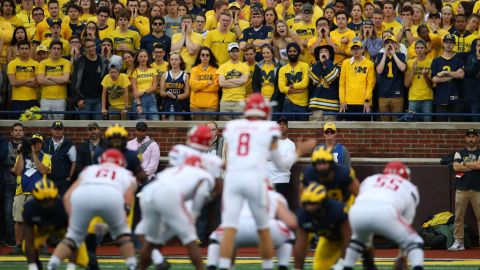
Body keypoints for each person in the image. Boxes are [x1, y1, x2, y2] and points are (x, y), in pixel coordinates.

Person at [218, 93, 315, 270]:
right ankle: (268, 266)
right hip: (255, 178)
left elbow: (229, 159)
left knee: (229, 229)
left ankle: (224, 266)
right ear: (264, 109)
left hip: (233, 177)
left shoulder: (233, 126)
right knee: (263, 228)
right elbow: (282, 163)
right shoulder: (268, 128)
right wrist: (299, 152)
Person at [47, 149, 138, 270]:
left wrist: (72, 219)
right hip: (112, 195)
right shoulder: (126, 173)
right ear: (121, 162)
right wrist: (117, 222)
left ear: (101, 160)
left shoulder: (89, 170)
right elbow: (128, 198)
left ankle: (52, 264)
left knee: (73, 236)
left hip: (83, 196)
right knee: (123, 235)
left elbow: (68, 196)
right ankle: (132, 265)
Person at [138, 154, 219, 270]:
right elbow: (200, 195)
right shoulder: (203, 175)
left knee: (146, 235)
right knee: (190, 238)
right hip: (169, 197)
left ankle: (152, 262)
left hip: (146, 194)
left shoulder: (173, 170)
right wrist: (194, 213)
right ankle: (201, 268)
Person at [343, 162, 424, 270]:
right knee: (415, 242)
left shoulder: (371, 179)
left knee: (358, 241)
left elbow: (360, 196)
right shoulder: (410, 187)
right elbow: (407, 222)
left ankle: (347, 267)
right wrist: (402, 256)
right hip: (386, 212)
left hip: (357, 211)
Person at [207, 187, 297, 270]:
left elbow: (227, 219)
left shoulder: (232, 195)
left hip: (236, 228)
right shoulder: (274, 195)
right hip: (265, 228)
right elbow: (291, 223)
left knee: (215, 238)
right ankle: (281, 265)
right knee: (289, 236)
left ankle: (216, 265)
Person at [23, 179, 88, 270]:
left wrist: (71, 266)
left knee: (84, 258)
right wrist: (32, 266)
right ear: (36, 199)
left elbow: (74, 239)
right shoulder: (29, 208)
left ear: (56, 197)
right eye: (43, 201)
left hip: (61, 229)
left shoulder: (64, 207)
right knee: (25, 245)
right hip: (41, 230)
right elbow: (29, 240)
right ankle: (37, 265)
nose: (47, 204)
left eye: (50, 200)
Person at [294, 183, 351, 270]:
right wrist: (297, 268)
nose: (309, 207)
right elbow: (301, 244)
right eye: (306, 203)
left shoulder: (338, 211)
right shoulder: (303, 214)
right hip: (330, 239)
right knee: (319, 267)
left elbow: (349, 239)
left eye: (313, 203)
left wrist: (341, 262)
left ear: (323, 202)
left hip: (354, 241)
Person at [11, 134, 51, 255]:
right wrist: (21, 154)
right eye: (32, 143)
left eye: (37, 142)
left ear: (42, 144)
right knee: (19, 221)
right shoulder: (21, 156)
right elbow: (18, 172)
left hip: (39, 193)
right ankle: (18, 246)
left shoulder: (46, 157)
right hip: (21, 192)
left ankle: (42, 245)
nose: (35, 145)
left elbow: (43, 170)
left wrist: (33, 155)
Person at [450, 128, 480, 251]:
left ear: (477, 138)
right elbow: (456, 167)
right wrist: (473, 166)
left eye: (473, 136)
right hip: (461, 189)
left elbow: (479, 166)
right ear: (465, 138)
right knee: (459, 217)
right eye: (469, 137)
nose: (471, 139)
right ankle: (458, 242)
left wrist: (465, 164)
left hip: (478, 189)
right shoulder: (459, 152)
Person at [72, 38, 109, 120]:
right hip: (84, 100)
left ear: (96, 46)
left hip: (99, 100)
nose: (91, 48)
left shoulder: (103, 61)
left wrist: (104, 102)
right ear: (85, 49)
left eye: (93, 46)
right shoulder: (80, 61)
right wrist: (78, 99)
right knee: (84, 128)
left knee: (98, 127)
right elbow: (74, 82)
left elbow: (106, 82)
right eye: (88, 47)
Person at [339, 38, 375, 121]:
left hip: (363, 102)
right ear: (351, 51)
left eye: (358, 48)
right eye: (353, 48)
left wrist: (367, 100)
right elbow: (342, 84)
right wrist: (342, 101)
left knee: (364, 129)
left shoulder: (369, 64)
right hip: (348, 102)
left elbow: (370, 84)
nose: (356, 51)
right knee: (348, 130)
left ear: (362, 49)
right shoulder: (345, 63)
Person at [431, 34, 465, 122]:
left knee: (457, 127)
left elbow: (461, 75)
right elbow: (434, 79)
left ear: (454, 45)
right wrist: (452, 76)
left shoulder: (459, 60)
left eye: (451, 43)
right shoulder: (436, 61)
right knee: (442, 128)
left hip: (456, 97)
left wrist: (445, 72)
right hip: (441, 97)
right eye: (446, 42)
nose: (448, 45)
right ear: (443, 44)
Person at [1, 123, 25, 248]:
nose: (18, 132)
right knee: (8, 213)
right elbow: (4, 159)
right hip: (9, 184)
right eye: (15, 130)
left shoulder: (28, 144)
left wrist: (14, 164)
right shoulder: (5, 144)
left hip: (25, 186)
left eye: (20, 130)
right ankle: (11, 239)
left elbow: (28, 161)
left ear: (23, 132)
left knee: (24, 214)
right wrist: (18, 163)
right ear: (11, 132)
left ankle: (24, 240)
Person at [36, 40, 71, 120]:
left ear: (61, 51)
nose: (56, 51)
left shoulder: (66, 62)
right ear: (50, 50)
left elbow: (65, 79)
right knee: (45, 125)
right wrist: (59, 81)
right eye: (54, 48)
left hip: (60, 99)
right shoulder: (43, 63)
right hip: (45, 99)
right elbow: (40, 80)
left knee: (58, 125)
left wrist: (49, 77)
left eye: (58, 49)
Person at [375, 34, 407, 121]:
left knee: (396, 122)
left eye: (392, 42)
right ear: (384, 45)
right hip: (383, 94)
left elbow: (402, 68)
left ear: (396, 44)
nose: (389, 45)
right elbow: (379, 71)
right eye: (387, 43)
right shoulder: (380, 56)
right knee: (385, 123)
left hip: (397, 94)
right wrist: (385, 54)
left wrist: (394, 54)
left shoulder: (401, 55)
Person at [217, 42, 249, 121]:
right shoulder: (223, 66)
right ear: (228, 52)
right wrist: (239, 82)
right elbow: (221, 83)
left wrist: (228, 80)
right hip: (225, 101)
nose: (235, 53)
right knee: (225, 128)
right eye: (232, 51)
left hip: (240, 101)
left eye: (236, 51)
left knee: (239, 127)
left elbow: (244, 80)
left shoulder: (244, 66)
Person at [42, 121, 76, 195]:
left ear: (63, 131)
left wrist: (70, 177)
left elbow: (74, 162)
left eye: (60, 129)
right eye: (55, 129)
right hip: (48, 179)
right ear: (51, 130)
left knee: (62, 203)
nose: (58, 131)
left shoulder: (69, 144)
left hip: (63, 180)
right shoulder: (46, 142)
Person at [7, 40, 39, 118]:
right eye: (22, 48)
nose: (24, 51)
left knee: (33, 126)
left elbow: (36, 83)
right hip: (17, 100)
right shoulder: (12, 64)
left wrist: (20, 82)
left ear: (29, 50)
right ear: (18, 50)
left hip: (33, 99)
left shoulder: (36, 64)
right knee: (18, 125)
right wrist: (28, 80)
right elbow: (13, 82)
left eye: (26, 48)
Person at [278, 42, 310, 121]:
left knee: (303, 131)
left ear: (298, 53)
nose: (292, 53)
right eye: (290, 51)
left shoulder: (305, 66)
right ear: (287, 53)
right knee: (288, 130)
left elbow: (305, 83)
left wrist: (291, 87)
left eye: (294, 51)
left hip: (303, 104)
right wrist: (298, 90)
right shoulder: (282, 69)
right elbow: (281, 88)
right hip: (288, 104)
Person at [308, 44, 340, 121]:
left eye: (326, 51)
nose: (323, 53)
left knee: (330, 131)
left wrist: (327, 61)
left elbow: (330, 78)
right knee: (314, 131)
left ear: (330, 54)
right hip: (316, 105)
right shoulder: (313, 67)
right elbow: (314, 79)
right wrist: (320, 63)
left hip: (331, 106)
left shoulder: (336, 67)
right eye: (321, 52)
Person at [267, 118, 296, 200]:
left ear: (287, 128)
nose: (281, 126)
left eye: (284, 124)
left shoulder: (291, 144)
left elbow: (288, 164)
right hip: (268, 181)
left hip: (282, 181)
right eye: (279, 124)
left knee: (281, 209)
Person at [404, 39, 434, 122]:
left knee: (427, 125)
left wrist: (425, 76)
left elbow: (432, 85)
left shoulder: (431, 62)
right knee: (411, 125)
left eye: (422, 48)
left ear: (426, 49)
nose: (419, 50)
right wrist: (413, 71)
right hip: (413, 98)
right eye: (417, 48)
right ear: (415, 50)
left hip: (427, 98)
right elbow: (406, 84)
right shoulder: (410, 62)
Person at [189, 46, 220, 121]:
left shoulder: (215, 70)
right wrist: (207, 83)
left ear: (210, 57)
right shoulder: (194, 69)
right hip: (195, 106)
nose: (205, 57)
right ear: (199, 57)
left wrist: (199, 85)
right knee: (197, 131)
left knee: (210, 131)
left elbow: (215, 87)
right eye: (203, 55)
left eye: (207, 55)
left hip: (211, 106)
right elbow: (193, 85)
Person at [159, 52, 190, 120]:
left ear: (180, 61)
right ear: (169, 61)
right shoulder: (165, 75)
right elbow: (161, 92)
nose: (174, 61)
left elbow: (187, 93)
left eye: (176, 59)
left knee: (178, 127)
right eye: (172, 60)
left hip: (180, 103)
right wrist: (166, 94)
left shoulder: (185, 75)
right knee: (166, 127)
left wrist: (175, 97)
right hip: (167, 103)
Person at [131, 49, 159, 120]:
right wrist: (138, 104)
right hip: (139, 100)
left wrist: (143, 92)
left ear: (148, 58)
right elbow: (135, 91)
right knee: (141, 122)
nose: (143, 58)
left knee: (155, 120)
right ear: (137, 59)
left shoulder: (153, 70)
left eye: (144, 56)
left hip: (151, 99)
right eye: (140, 57)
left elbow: (154, 87)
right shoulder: (134, 71)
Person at [464, 40, 480, 121]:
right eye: (479, 45)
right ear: (474, 47)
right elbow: (469, 72)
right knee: (475, 119)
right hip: (474, 94)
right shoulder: (471, 57)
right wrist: (478, 59)